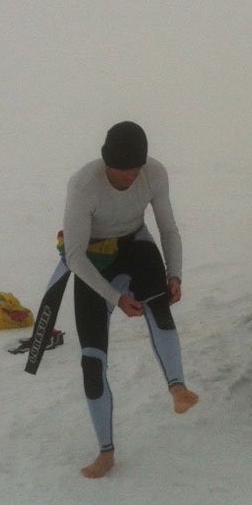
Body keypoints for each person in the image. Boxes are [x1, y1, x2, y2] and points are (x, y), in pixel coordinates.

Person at [62, 121, 198, 479]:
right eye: (120, 173)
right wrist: (115, 298)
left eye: (133, 171)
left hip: (136, 245)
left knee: (159, 305)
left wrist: (176, 273)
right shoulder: (83, 186)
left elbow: (167, 228)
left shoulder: (153, 174)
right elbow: (75, 256)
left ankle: (178, 387)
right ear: (106, 163)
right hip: (94, 260)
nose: (127, 179)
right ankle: (105, 452)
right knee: (92, 361)